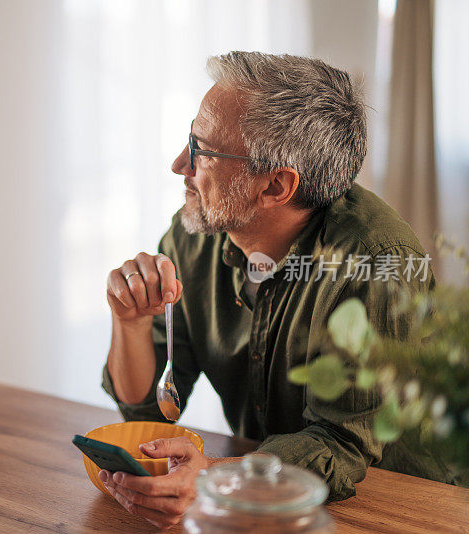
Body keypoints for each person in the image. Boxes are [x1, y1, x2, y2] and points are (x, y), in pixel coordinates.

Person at [100, 51, 454, 530]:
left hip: (394, 508)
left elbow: (339, 444)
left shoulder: (375, 259)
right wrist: (130, 323)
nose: (180, 164)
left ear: (276, 185)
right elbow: (147, 411)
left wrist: (215, 478)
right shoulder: (193, 238)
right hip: (262, 504)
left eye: (201, 148)